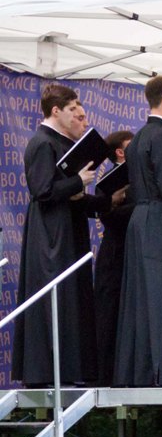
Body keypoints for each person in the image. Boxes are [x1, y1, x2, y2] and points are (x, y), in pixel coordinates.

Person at [14, 84, 115, 387]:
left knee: (73, 299)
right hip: (51, 238)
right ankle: (49, 373)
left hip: (66, 231)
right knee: (56, 298)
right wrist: (78, 181)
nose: (77, 115)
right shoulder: (42, 143)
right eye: (72, 109)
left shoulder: (58, 142)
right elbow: (42, 191)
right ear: (55, 111)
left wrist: (109, 201)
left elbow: (73, 198)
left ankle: (72, 371)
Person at [114, 75, 162, 386]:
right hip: (158, 219)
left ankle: (141, 372)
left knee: (141, 297)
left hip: (140, 219)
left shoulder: (139, 138)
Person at [94, 129, 134, 385]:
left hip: (130, 254)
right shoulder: (108, 181)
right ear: (120, 152)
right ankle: (105, 374)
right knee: (109, 315)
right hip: (114, 257)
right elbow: (106, 216)